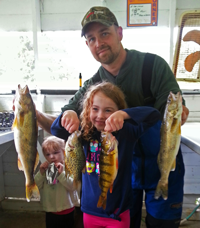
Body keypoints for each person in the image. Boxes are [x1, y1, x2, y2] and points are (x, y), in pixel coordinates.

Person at [35, 6, 189, 228]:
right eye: (91, 39)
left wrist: (180, 112)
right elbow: (63, 122)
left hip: (164, 163)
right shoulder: (92, 86)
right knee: (128, 222)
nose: (98, 43)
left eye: (104, 33)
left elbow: (170, 112)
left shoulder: (153, 66)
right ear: (87, 45)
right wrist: (60, 113)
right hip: (122, 171)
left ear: (120, 33)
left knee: (162, 224)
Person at [51, 81, 161, 228]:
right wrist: (68, 113)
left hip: (118, 212)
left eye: (108, 110)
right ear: (88, 110)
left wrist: (124, 115)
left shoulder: (127, 132)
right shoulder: (84, 133)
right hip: (89, 210)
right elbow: (56, 130)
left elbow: (154, 115)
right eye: (95, 109)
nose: (100, 115)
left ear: (117, 110)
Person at [34, 136, 80, 228]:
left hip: (67, 209)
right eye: (47, 154)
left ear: (64, 151)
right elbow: (36, 186)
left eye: (55, 152)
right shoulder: (46, 169)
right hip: (51, 211)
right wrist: (41, 173)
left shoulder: (69, 167)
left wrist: (61, 174)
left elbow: (73, 186)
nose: (51, 156)